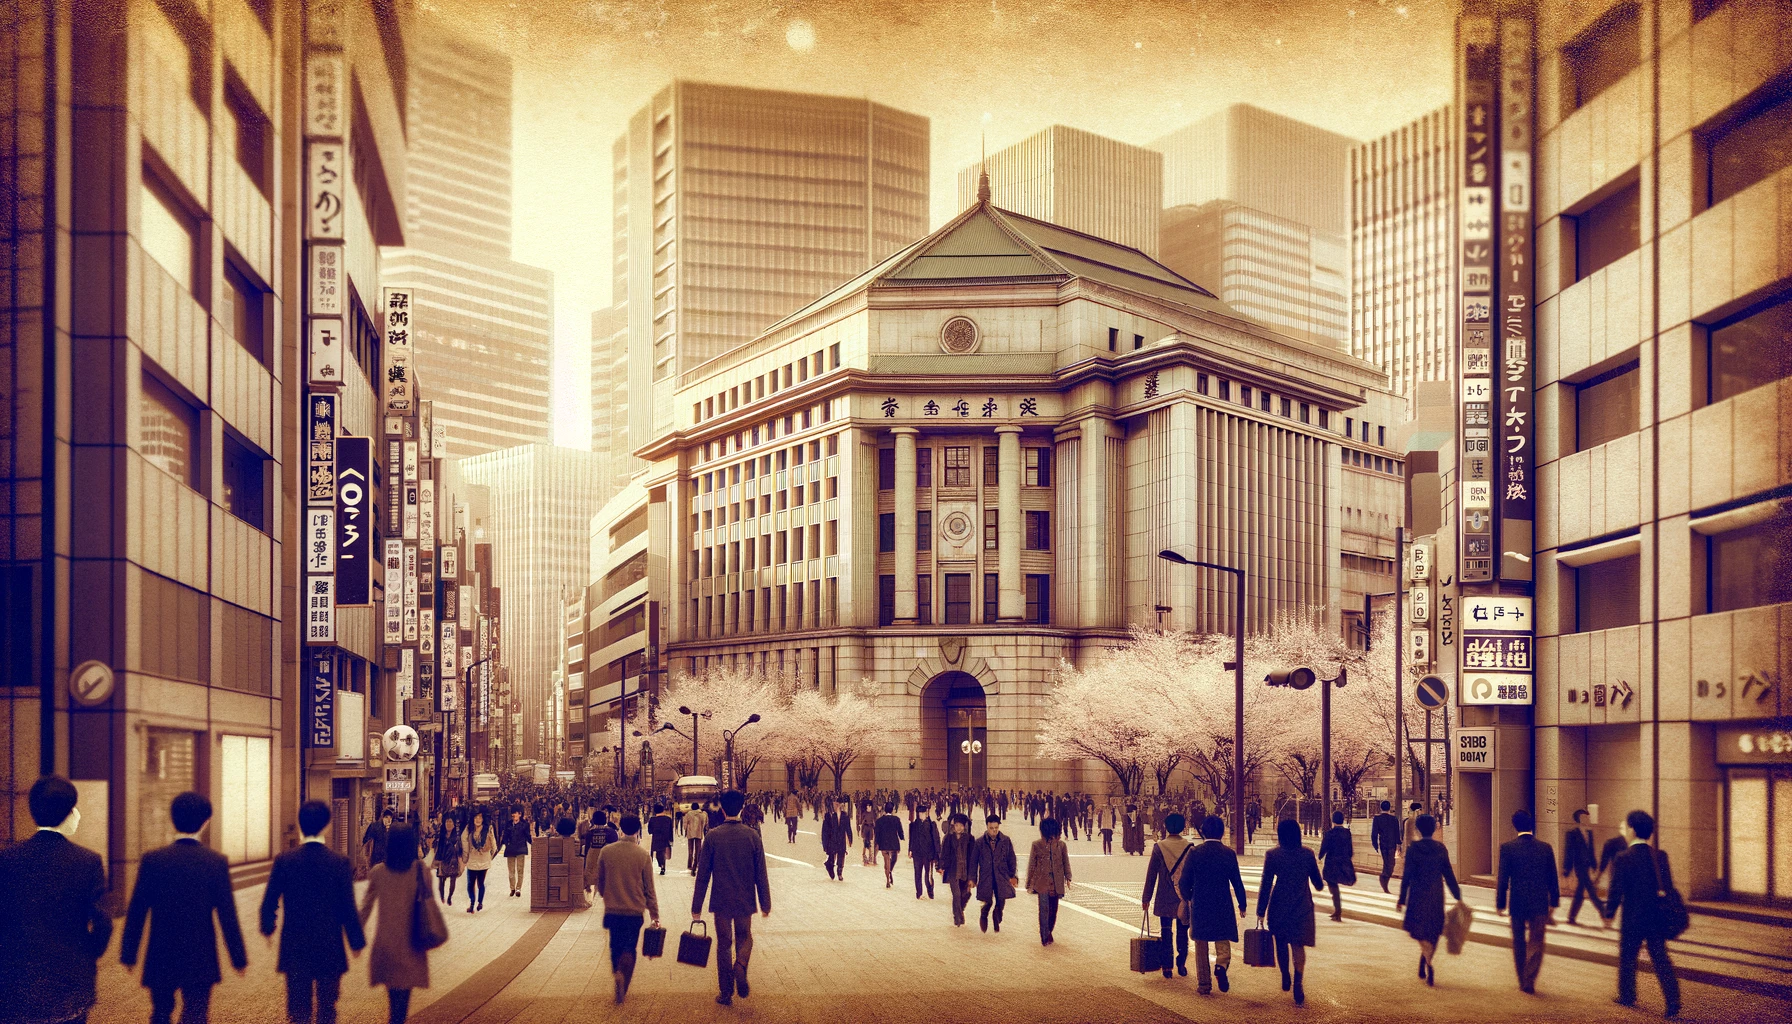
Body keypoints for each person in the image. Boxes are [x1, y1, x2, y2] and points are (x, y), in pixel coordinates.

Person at [121, 792, 248, 1024]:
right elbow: (228, 914)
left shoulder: (153, 860)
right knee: (196, 1014)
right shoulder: (215, 861)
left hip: (161, 952)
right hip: (200, 954)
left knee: (160, 1013)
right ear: (205, 822)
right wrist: (238, 958)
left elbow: (137, 910)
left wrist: (128, 953)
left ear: (173, 819)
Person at [0, 775, 112, 1024]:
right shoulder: (87, 861)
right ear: (70, 813)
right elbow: (103, 923)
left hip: (17, 976)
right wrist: (87, 953)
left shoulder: (8, 860)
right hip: (69, 978)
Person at [259, 800, 366, 1024]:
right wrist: (356, 941)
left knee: (298, 1010)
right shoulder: (339, 863)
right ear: (327, 826)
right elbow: (347, 907)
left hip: (295, 945)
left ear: (300, 825)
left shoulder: (285, 861)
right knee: (327, 1008)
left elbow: (269, 901)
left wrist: (268, 926)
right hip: (329, 946)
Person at [691, 791, 772, 1007]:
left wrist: (696, 906)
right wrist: (765, 903)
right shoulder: (752, 836)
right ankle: (741, 965)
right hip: (745, 899)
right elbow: (761, 873)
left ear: (723, 809)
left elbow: (703, 875)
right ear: (742, 808)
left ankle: (725, 992)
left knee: (724, 944)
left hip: (721, 899)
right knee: (745, 937)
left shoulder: (713, 836)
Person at [1602, 810, 1681, 1018]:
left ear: (1632, 829)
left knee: (1628, 957)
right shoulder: (1660, 856)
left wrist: (1609, 913)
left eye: (1627, 827)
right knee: (1661, 958)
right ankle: (1673, 1001)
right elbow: (1669, 887)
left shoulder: (1623, 857)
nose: (1626, 831)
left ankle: (1628, 995)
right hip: (1655, 916)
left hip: (1632, 917)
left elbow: (1616, 889)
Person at [358, 825, 433, 1024]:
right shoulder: (420, 871)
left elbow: (365, 907)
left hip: (386, 945)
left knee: (393, 998)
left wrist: (354, 935)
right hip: (412, 944)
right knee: (402, 1002)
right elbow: (428, 904)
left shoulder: (379, 872)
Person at [1255, 818, 1322, 1006]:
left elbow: (1266, 884)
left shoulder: (1273, 855)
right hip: (1302, 905)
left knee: (1281, 943)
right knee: (1298, 945)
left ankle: (1285, 975)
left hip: (1279, 905)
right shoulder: (1307, 854)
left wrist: (1261, 910)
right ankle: (1298, 983)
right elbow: (1317, 884)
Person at [1180, 815, 1248, 996]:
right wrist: (1242, 904)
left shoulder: (1195, 853)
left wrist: (1189, 897)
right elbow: (1237, 882)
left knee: (1201, 943)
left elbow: (1183, 881)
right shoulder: (1228, 853)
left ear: (1202, 831)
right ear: (1222, 832)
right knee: (1222, 937)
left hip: (1201, 903)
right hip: (1222, 902)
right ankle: (1221, 965)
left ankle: (1204, 984)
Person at [596, 815, 660, 1003]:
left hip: (613, 910)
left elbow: (601, 881)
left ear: (620, 829)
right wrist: (654, 914)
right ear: (638, 830)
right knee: (630, 947)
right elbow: (649, 888)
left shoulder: (607, 852)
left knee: (614, 944)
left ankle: (617, 971)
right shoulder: (642, 855)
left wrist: (606, 895)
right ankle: (624, 978)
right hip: (634, 911)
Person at [1497, 809, 1561, 993]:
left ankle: (1521, 978)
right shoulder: (1545, 848)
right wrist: (1554, 902)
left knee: (1518, 941)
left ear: (1514, 826)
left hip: (1517, 902)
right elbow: (1552, 878)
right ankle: (1530, 979)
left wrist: (1501, 903)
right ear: (1532, 825)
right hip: (1539, 902)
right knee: (1536, 940)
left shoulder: (1508, 848)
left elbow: (1503, 879)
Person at [1396, 812, 1460, 987]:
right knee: (1433, 931)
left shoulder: (1413, 849)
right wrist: (1457, 895)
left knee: (1419, 930)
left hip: (1417, 896)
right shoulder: (1441, 849)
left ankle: (1427, 962)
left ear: (1418, 829)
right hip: (1436, 896)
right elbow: (1449, 874)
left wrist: (1401, 898)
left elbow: (1407, 876)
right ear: (1434, 829)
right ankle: (1426, 960)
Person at [1140, 811, 1192, 977]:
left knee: (1166, 930)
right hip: (1183, 896)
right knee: (1183, 930)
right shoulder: (1190, 848)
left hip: (1164, 895)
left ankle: (1167, 966)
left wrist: (1146, 898)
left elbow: (1151, 875)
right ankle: (1181, 963)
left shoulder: (1159, 847)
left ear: (1166, 827)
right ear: (1183, 827)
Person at [1025, 816, 1072, 946]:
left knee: (1053, 910)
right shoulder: (1037, 845)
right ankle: (1044, 935)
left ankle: (1049, 930)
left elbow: (1065, 862)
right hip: (1042, 883)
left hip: (1056, 883)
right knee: (1043, 910)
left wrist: (1068, 877)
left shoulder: (1061, 845)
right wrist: (1029, 882)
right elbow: (1032, 864)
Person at [969, 813, 1018, 934]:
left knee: (1001, 900)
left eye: (996, 828)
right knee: (987, 900)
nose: (994, 830)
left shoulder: (1005, 840)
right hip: (987, 876)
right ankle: (983, 915)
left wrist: (1013, 875)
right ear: (987, 827)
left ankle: (997, 917)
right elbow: (974, 861)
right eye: (992, 828)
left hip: (1002, 876)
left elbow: (1011, 859)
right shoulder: (979, 842)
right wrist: (972, 878)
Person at [1562, 809, 1605, 926]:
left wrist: (1594, 864)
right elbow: (1569, 852)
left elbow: (1591, 850)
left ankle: (1571, 917)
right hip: (1579, 866)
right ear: (1579, 819)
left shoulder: (1589, 832)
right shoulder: (1572, 833)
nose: (1587, 819)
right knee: (1590, 890)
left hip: (1586, 865)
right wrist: (1567, 868)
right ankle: (1603, 911)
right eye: (1584, 817)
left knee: (1580, 893)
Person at [937, 813, 976, 926]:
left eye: (961, 825)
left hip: (965, 870)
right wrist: (941, 866)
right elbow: (944, 853)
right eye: (957, 825)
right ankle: (957, 917)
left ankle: (960, 911)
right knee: (956, 894)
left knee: (966, 894)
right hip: (953, 870)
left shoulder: (970, 839)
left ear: (964, 827)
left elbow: (973, 857)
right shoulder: (948, 838)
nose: (958, 828)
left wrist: (973, 874)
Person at [1319, 810, 1356, 922]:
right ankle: (1337, 910)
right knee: (1335, 886)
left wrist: (1320, 856)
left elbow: (1324, 848)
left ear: (1333, 820)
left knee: (1333, 886)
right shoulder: (1347, 833)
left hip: (1332, 863)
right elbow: (1350, 850)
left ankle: (1337, 910)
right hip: (1344, 862)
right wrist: (1348, 857)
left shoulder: (1329, 834)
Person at [461, 808, 498, 914]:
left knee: (476, 883)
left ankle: (477, 902)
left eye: (480, 817)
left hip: (481, 860)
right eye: (476, 817)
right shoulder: (469, 828)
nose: (478, 820)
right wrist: (466, 854)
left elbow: (493, 843)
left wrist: (489, 856)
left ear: (483, 819)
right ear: (472, 818)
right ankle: (474, 902)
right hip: (473, 860)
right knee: (472, 884)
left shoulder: (488, 828)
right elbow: (464, 840)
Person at [909, 804, 941, 899]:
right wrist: (910, 850)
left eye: (924, 813)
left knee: (928, 874)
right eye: (920, 813)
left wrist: (937, 853)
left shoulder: (932, 825)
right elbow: (912, 839)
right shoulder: (914, 825)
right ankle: (919, 893)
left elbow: (936, 839)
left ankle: (930, 892)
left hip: (928, 853)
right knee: (917, 873)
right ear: (918, 814)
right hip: (917, 853)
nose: (922, 815)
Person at [1371, 800, 1402, 893]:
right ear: (1389, 808)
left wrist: (1375, 845)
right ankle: (1384, 880)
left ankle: (1384, 879)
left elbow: (1374, 833)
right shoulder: (1394, 819)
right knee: (1391, 864)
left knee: (1387, 863)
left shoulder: (1377, 819)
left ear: (1381, 808)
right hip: (1392, 844)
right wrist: (1399, 844)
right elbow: (1397, 833)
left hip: (1383, 844)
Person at [432, 817, 463, 906]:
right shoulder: (441, 836)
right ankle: (442, 896)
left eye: (450, 822)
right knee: (441, 880)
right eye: (447, 822)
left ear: (453, 825)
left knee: (453, 880)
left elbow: (460, 849)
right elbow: (437, 848)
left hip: (453, 860)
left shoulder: (457, 837)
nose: (448, 824)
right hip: (442, 860)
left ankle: (449, 897)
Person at [820, 798, 853, 881]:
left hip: (841, 839)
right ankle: (829, 867)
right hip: (832, 839)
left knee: (841, 855)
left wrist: (850, 838)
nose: (837, 806)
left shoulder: (845, 816)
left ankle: (840, 872)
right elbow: (825, 830)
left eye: (839, 804)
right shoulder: (829, 815)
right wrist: (825, 843)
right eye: (836, 804)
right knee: (832, 856)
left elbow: (848, 828)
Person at [874, 802, 905, 888]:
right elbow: (900, 831)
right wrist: (902, 837)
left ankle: (888, 879)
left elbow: (877, 833)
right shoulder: (896, 819)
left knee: (886, 860)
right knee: (894, 859)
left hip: (884, 843)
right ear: (892, 809)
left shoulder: (879, 821)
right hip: (894, 842)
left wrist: (877, 842)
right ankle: (890, 870)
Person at [647, 804, 676, 876]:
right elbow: (670, 831)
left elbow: (649, 831)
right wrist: (671, 840)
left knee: (657, 853)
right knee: (663, 853)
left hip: (656, 839)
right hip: (665, 839)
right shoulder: (668, 819)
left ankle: (658, 866)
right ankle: (663, 867)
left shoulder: (652, 819)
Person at [362, 808, 392, 874]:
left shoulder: (392, 829)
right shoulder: (375, 827)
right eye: (386, 817)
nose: (389, 820)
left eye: (390, 818)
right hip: (376, 858)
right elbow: (368, 843)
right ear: (382, 818)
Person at [683, 802, 708, 875]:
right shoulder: (701, 814)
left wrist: (686, 829)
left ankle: (689, 864)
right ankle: (696, 863)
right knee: (698, 849)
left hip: (690, 833)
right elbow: (703, 823)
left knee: (690, 849)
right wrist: (702, 829)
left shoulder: (688, 814)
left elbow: (685, 823)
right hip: (698, 833)